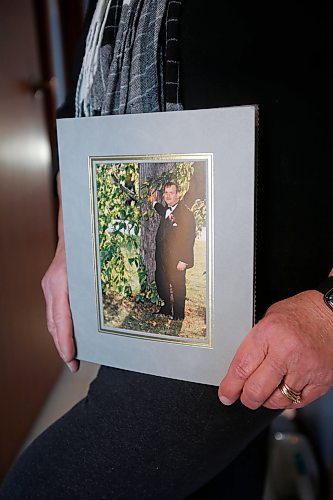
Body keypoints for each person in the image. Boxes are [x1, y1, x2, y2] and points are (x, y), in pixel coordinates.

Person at [1, 1, 333, 498]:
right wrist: (70, 243)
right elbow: (79, 103)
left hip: (256, 314)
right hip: (140, 318)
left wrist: (330, 310)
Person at [151, 181, 196, 320]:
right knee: (161, 281)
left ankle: (178, 315)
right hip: (162, 257)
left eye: (171, 192)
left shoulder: (186, 214)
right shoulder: (167, 209)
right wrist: (154, 203)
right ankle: (166, 308)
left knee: (178, 286)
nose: (168, 196)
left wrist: (184, 260)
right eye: (166, 192)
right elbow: (162, 210)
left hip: (177, 259)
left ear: (178, 194)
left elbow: (189, 238)